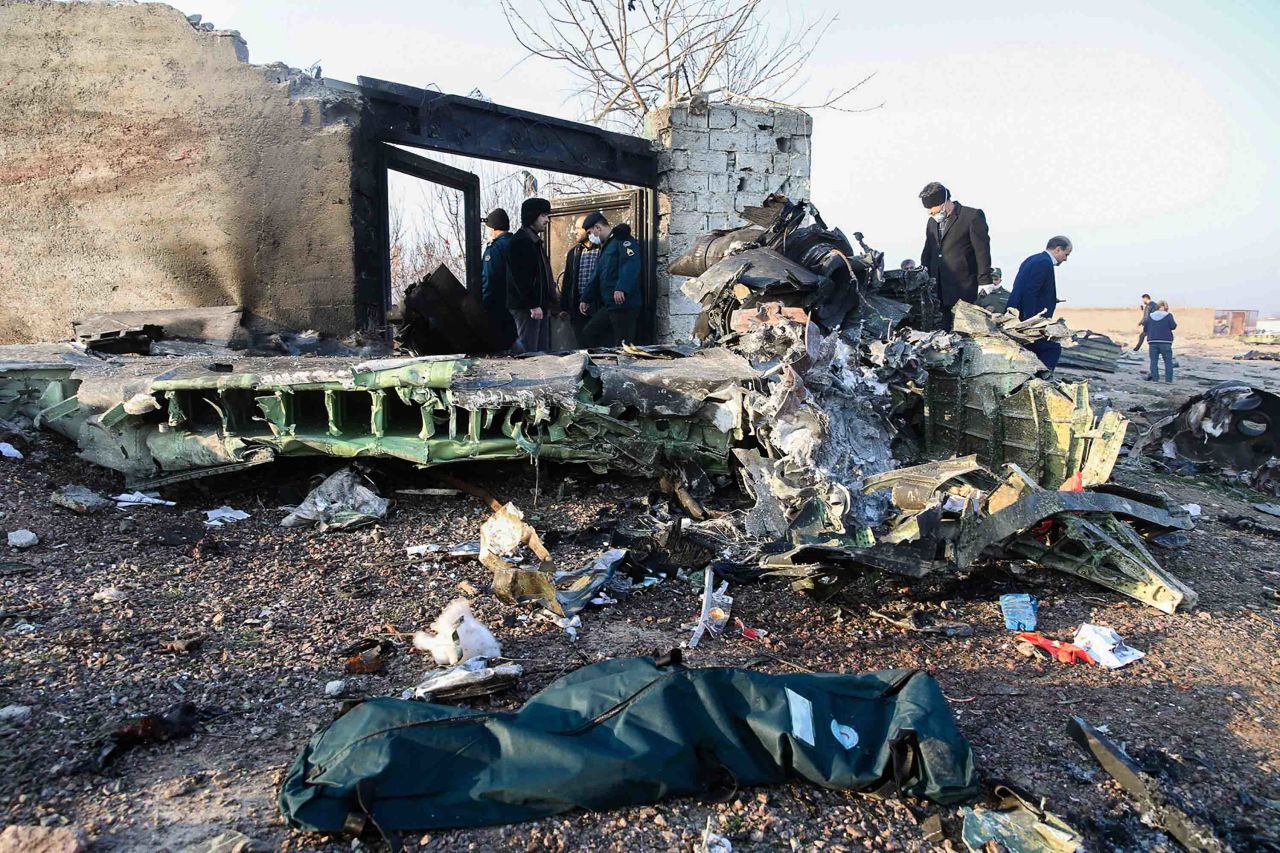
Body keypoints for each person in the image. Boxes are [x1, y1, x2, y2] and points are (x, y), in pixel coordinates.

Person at [918, 181, 992, 327]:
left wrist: (985, 280)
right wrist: (923, 276)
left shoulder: (971, 216)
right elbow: (928, 250)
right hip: (937, 288)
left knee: (964, 328)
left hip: (963, 286)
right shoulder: (932, 222)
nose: (930, 212)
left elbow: (982, 250)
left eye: (932, 207)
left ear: (945, 202)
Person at [1007, 236, 1073, 371]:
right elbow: (1030, 292)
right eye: (1066, 254)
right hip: (1026, 321)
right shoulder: (1043, 262)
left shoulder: (1034, 259)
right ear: (1058, 249)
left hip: (1020, 318)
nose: (1066, 259)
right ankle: (1042, 382)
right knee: (1052, 349)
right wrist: (1030, 322)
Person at [578, 217, 643, 347]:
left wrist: (622, 287)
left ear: (598, 227)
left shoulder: (622, 239)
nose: (590, 237)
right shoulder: (606, 246)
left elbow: (630, 263)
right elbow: (597, 274)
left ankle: (625, 366)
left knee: (623, 345)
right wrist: (586, 298)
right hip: (611, 304)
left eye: (590, 232)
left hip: (624, 304)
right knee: (589, 333)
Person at [506, 197, 557, 353]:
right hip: (527, 309)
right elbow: (521, 279)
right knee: (529, 354)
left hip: (537, 308)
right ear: (532, 216)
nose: (547, 220)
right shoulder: (521, 241)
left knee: (540, 353)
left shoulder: (533, 241)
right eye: (543, 215)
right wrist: (533, 304)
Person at [560, 211, 606, 342]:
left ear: (589, 229)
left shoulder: (603, 248)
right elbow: (567, 281)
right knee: (582, 343)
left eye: (578, 228)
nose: (574, 232)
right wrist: (564, 308)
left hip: (598, 305)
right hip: (578, 306)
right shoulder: (574, 253)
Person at [479, 208, 516, 349]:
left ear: (494, 227)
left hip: (499, 307)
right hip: (519, 306)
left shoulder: (494, 248)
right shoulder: (518, 243)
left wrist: (483, 305)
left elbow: (489, 278)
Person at [1144, 300, 1177, 382]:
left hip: (1152, 341)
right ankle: (1168, 380)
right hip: (1166, 342)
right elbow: (1173, 326)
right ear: (1164, 306)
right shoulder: (1169, 315)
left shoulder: (1150, 316)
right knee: (1168, 362)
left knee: (1153, 362)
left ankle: (1155, 379)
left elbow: (1145, 328)